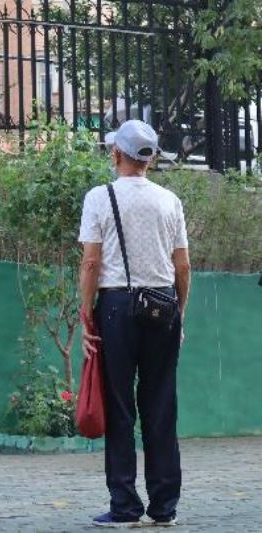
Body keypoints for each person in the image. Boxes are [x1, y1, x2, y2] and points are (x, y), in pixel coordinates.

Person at [78, 120, 191, 528]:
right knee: (161, 406)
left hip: (117, 306)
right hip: (163, 305)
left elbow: (91, 262)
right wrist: (179, 314)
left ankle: (125, 506)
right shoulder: (170, 201)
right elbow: (183, 266)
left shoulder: (100, 197)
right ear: (151, 159)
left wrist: (86, 312)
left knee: (120, 406)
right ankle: (164, 507)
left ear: (116, 154)